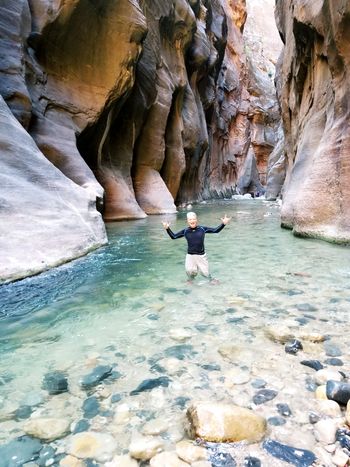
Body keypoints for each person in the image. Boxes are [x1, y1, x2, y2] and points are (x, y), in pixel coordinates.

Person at [162, 211, 231, 283]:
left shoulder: (202, 229)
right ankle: (191, 280)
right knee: (189, 272)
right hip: (190, 256)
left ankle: (211, 279)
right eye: (190, 219)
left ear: (196, 220)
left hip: (201, 256)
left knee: (205, 273)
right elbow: (174, 236)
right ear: (187, 221)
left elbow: (215, 230)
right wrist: (167, 228)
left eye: (193, 219)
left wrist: (223, 224)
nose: (192, 221)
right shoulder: (185, 231)